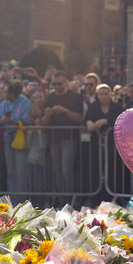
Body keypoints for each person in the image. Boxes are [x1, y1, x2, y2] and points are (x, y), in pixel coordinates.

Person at [42, 70, 83, 204]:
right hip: (54, 139)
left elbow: (79, 118)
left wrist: (65, 110)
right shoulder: (50, 98)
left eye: (59, 83)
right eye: (54, 84)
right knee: (57, 171)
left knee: (66, 170)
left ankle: (69, 199)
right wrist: (48, 114)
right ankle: (61, 199)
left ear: (65, 82)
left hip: (70, 138)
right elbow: (44, 123)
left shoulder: (75, 97)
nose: (57, 86)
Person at [0, 81, 31, 202]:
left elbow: (27, 120)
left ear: (12, 93)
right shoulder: (4, 103)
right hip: (7, 140)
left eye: (6, 91)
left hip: (20, 140)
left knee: (20, 171)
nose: (4, 93)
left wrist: (11, 121)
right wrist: (4, 120)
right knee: (11, 172)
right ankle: (12, 200)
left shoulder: (25, 102)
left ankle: (21, 200)